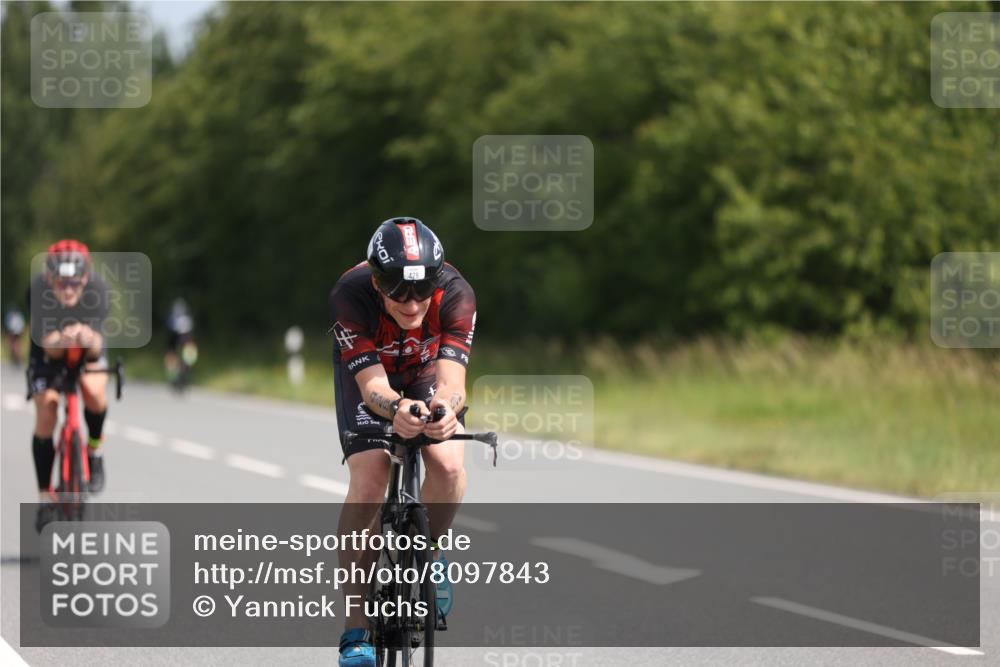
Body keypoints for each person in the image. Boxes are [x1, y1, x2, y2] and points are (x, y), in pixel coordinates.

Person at [329, 218, 476, 667]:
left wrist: (445, 409)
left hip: (427, 372)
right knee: (370, 480)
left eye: (422, 289)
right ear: (377, 283)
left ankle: (429, 552)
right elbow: (372, 387)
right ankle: (357, 627)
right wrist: (396, 408)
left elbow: (454, 383)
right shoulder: (351, 294)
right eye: (398, 291)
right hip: (370, 376)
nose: (412, 303)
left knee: (449, 466)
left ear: (437, 280)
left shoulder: (456, 294)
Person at [27, 240, 111, 525]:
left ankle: (95, 450)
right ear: (50, 278)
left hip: (87, 349)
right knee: (47, 411)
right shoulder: (38, 291)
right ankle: (44, 497)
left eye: (74, 282)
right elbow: (48, 346)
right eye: (61, 282)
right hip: (48, 349)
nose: (68, 289)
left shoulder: (98, 290)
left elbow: (97, 346)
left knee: (94, 393)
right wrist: (63, 340)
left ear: (85, 278)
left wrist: (85, 338)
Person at [165, 298, 197, 390]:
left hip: (185, 345)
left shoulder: (183, 319)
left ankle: (181, 378)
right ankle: (175, 378)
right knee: (173, 359)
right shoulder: (174, 318)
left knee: (185, 361)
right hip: (178, 344)